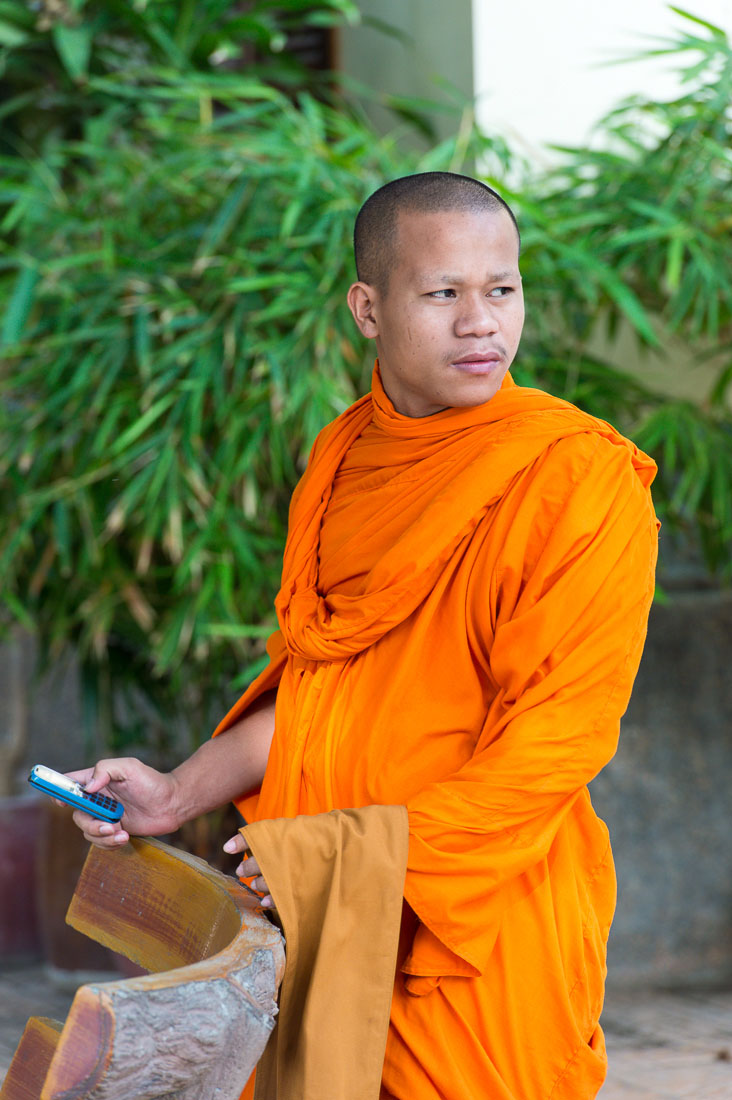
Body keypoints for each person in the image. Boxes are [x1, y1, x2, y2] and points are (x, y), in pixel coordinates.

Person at [69, 172, 659, 1099]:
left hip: (468, 931)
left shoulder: (576, 478)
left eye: (501, 290)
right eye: (442, 294)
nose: (481, 324)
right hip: (315, 919)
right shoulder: (343, 456)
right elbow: (323, 690)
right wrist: (176, 792)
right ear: (368, 307)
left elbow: (557, 743)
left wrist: (337, 858)